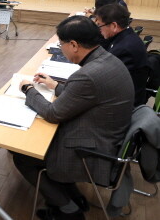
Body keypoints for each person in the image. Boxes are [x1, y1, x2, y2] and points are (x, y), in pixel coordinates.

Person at [15, 16, 133, 220]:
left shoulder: (89, 74)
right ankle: (74, 196)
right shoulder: (105, 58)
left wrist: (28, 90)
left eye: (61, 44)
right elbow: (86, 95)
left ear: (74, 45)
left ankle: (68, 209)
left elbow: (53, 114)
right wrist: (55, 86)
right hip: (109, 136)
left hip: (93, 149)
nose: (61, 49)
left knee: (23, 155)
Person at [94, 4, 148, 106]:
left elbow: (104, 81)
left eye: (100, 25)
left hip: (122, 105)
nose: (99, 30)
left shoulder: (125, 49)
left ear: (114, 26)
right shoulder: (124, 37)